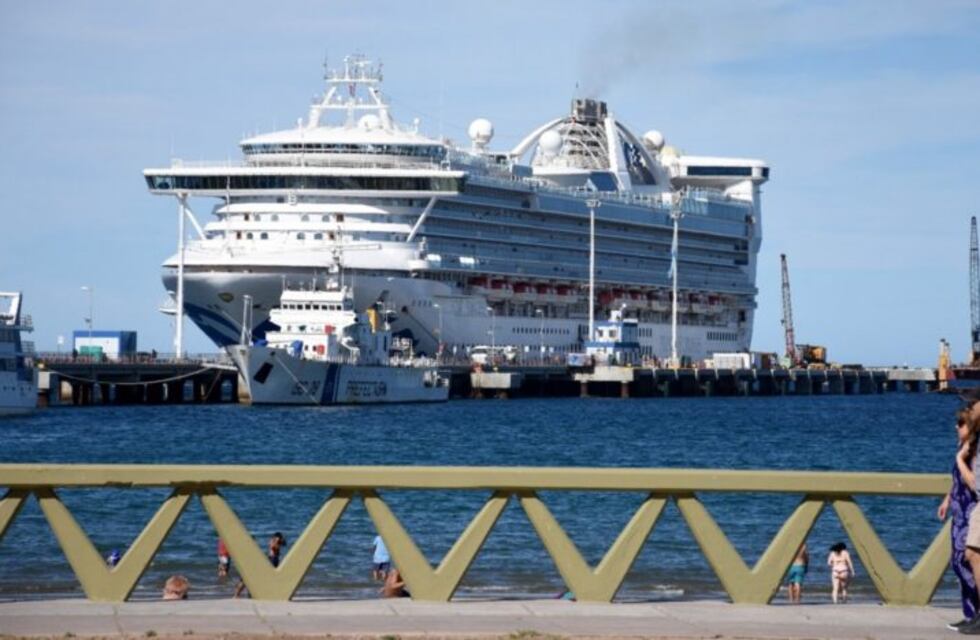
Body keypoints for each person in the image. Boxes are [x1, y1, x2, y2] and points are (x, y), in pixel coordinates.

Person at [939, 407, 979, 631]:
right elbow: (957, 480)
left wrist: (960, 459)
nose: (957, 427)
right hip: (959, 512)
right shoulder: (963, 449)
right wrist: (947, 500)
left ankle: (976, 614)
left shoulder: (973, 452)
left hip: (971, 511)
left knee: (967, 560)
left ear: (970, 427)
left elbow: (974, 483)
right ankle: (969, 612)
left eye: (961, 424)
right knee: (957, 562)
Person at [234, 532, 287, 598]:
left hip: (260, 587)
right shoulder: (269, 556)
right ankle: (237, 595)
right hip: (257, 585)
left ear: (279, 545)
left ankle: (237, 595)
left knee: (248, 575)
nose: (273, 542)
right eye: (273, 540)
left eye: (276, 542)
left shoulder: (275, 559)